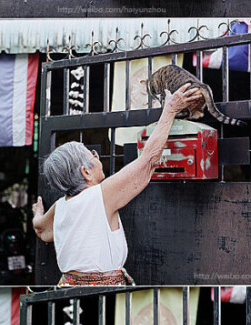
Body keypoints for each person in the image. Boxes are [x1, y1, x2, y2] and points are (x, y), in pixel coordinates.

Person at [32, 83, 202, 285]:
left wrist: (37, 212)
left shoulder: (60, 207)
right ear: (86, 172)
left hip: (67, 287)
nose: (97, 157)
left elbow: (41, 230)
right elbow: (148, 161)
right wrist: (170, 110)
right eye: (92, 155)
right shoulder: (100, 195)